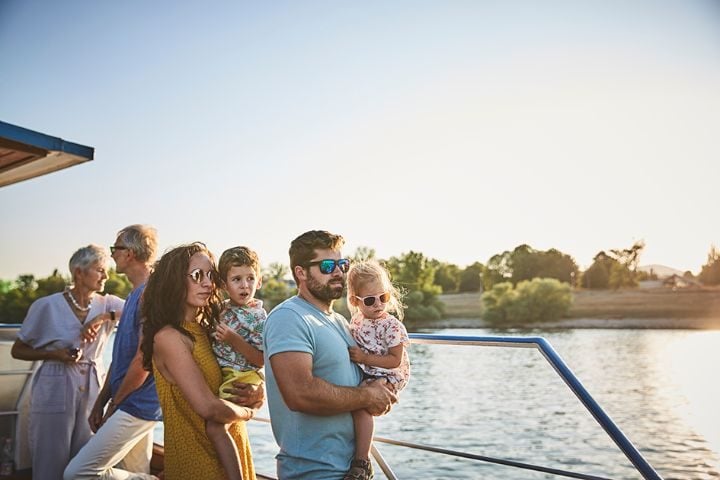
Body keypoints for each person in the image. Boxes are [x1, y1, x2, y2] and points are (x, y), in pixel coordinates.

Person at [263, 230, 397, 480]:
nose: (338, 272)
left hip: (353, 469)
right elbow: (300, 394)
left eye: (342, 264)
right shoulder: (289, 318)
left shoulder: (341, 322)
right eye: (327, 265)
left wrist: (381, 391)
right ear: (300, 273)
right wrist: (368, 396)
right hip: (313, 471)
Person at [140, 242, 262, 479]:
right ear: (174, 281)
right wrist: (249, 413)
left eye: (211, 275)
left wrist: (257, 391)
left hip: (233, 451)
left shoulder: (209, 330)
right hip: (199, 464)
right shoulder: (169, 338)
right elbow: (209, 407)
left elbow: (242, 367)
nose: (208, 283)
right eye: (197, 275)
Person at [11, 245, 124, 480]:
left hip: (93, 387)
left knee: (84, 458)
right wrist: (55, 354)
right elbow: (18, 350)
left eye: (106, 271)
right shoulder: (46, 306)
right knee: (49, 456)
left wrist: (104, 318)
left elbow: (144, 308)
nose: (105, 276)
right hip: (54, 385)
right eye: (99, 270)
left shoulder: (108, 304)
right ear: (78, 273)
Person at [64, 225, 161, 480]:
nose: (112, 255)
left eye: (114, 249)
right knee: (135, 471)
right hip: (132, 401)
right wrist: (101, 400)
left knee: (77, 473)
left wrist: (113, 405)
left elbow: (143, 361)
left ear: (129, 254)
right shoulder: (134, 295)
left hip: (137, 404)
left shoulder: (150, 294)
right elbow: (122, 360)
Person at [345, 260, 410, 480]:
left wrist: (364, 357)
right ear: (355, 301)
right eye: (371, 300)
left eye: (383, 297)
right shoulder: (357, 320)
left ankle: (362, 461)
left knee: (362, 405)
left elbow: (394, 360)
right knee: (350, 399)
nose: (378, 305)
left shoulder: (391, 326)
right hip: (370, 371)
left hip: (389, 374)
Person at [207, 246, 267, 480]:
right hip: (227, 372)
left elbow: (261, 359)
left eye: (250, 278)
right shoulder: (221, 310)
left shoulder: (259, 318)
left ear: (259, 281)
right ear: (223, 284)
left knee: (215, 426)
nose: (245, 285)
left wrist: (233, 339)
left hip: (242, 375)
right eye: (237, 279)